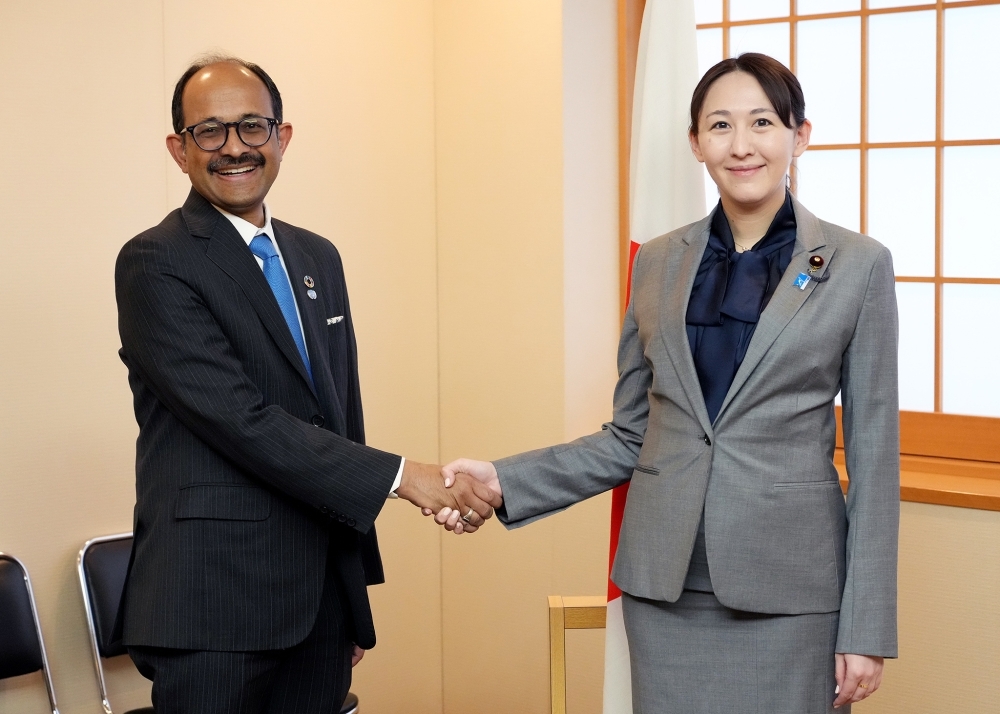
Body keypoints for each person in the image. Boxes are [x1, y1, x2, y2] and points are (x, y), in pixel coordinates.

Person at [436, 53, 899, 713]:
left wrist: (866, 628)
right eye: (720, 125)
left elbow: (875, 461)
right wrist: (503, 480)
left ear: (799, 136)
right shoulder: (656, 263)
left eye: (763, 123)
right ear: (695, 143)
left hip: (792, 596)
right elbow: (630, 436)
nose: (741, 145)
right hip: (665, 591)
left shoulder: (858, 265)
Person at [114, 55, 500, 714]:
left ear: (281, 137)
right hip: (213, 607)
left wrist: (352, 592)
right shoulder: (155, 262)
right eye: (209, 131)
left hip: (318, 604)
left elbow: (340, 417)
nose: (234, 147)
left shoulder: (316, 256)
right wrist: (405, 477)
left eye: (251, 126)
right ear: (179, 150)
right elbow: (241, 420)